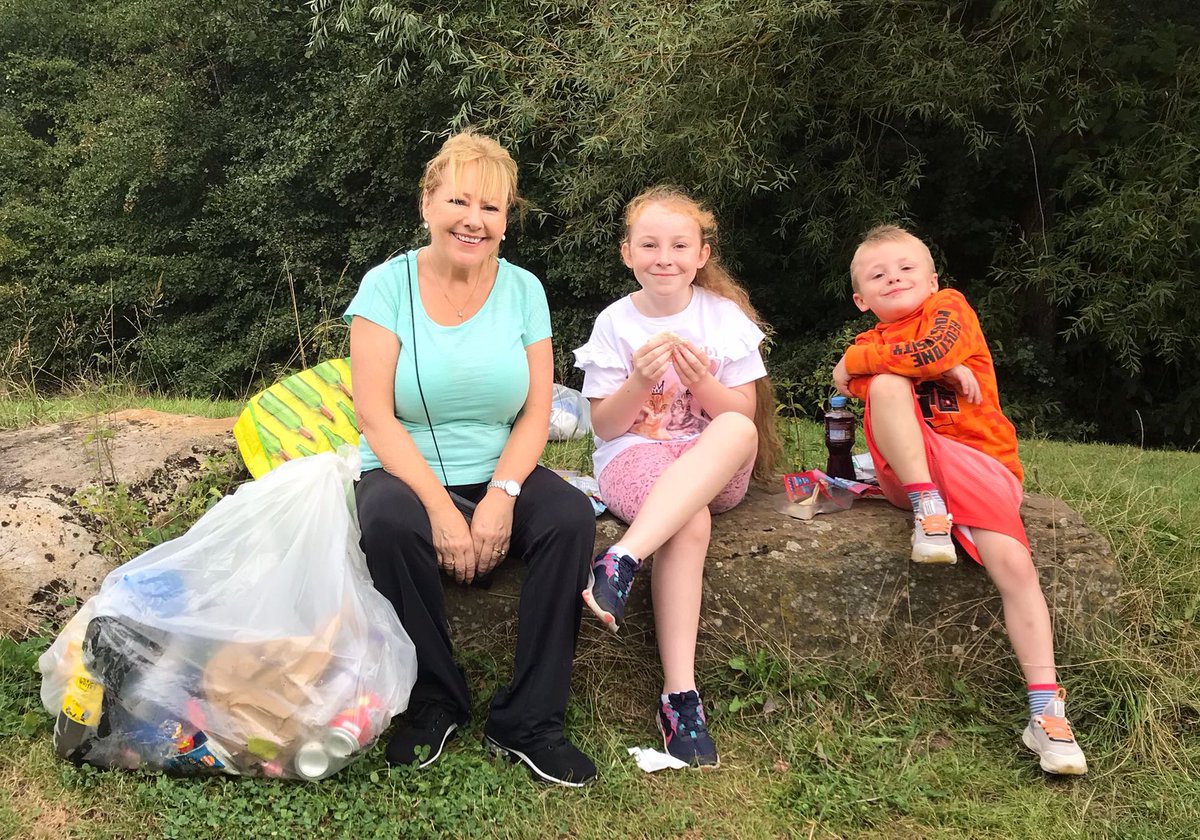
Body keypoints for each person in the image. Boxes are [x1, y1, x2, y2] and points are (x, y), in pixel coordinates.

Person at [345, 130, 597, 787]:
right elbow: (374, 415)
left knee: (570, 517)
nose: (474, 220)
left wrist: (502, 495)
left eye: (491, 207)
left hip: (498, 462)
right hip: (402, 468)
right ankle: (433, 700)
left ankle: (531, 722)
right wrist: (441, 510)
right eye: (459, 201)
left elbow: (536, 412)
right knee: (389, 523)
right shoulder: (385, 287)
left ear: (506, 221)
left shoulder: (524, 290)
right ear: (426, 205)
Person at [831, 224, 1088, 775]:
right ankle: (929, 510)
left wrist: (871, 361)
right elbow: (852, 380)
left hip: (979, 464)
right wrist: (892, 368)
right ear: (860, 299)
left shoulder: (949, 307)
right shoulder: (868, 341)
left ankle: (1045, 712)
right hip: (909, 479)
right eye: (878, 275)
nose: (893, 278)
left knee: (1014, 565)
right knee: (887, 386)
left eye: (906, 269)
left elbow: (929, 350)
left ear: (932, 280)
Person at [573, 186, 781, 767]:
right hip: (634, 460)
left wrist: (700, 382)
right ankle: (680, 699)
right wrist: (640, 382)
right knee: (688, 522)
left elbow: (740, 415)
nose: (664, 257)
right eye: (649, 244)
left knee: (735, 428)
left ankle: (622, 557)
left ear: (701, 254)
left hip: (713, 465)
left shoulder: (723, 318)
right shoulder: (615, 323)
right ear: (627, 253)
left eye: (679, 245)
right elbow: (605, 426)